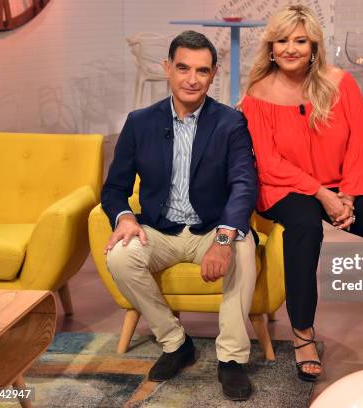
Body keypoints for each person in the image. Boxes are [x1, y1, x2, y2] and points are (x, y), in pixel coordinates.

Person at [240, 5, 363, 381]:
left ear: (314, 46)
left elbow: (359, 144)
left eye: (301, 41)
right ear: (271, 47)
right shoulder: (258, 95)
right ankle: (303, 333)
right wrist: (322, 193)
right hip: (286, 186)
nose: (291, 48)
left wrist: (349, 196)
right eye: (283, 40)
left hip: (342, 184)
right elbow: (269, 163)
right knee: (305, 226)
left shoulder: (340, 82)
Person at [102, 30, 257, 401]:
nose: (192, 79)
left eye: (202, 71)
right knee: (121, 257)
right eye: (183, 68)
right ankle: (175, 343)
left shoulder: (229, 123)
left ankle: (232, 359)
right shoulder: (139, 122)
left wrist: (223, 240)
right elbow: (113, 188)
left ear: (214, 74)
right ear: (167, 68)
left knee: (243, 250)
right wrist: (124, 216)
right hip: (160, 229)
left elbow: (243, 185)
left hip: (211, 227)